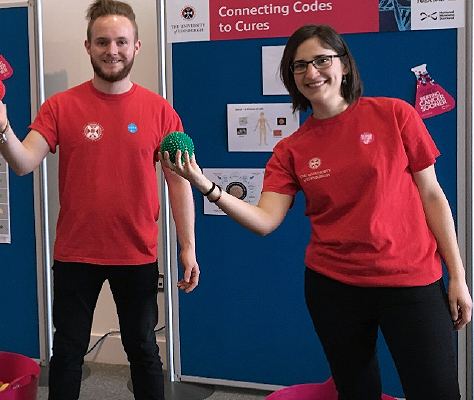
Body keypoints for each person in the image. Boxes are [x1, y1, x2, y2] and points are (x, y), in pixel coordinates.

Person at [166, 24, 472, 400]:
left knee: (437, 392)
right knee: (356, 392)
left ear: (343, 64)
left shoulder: (396, 114)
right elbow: (265, 221)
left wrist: (457, 275)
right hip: (334, 287)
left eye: (321, 60)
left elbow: (433, 196)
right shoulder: (291, 150)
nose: (311, 73)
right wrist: (205, 185)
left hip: (411, 282)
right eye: (299, 66)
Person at [0, 1, 200, 399]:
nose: (112, 50)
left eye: (121, 42)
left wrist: (188, 247)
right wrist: (3, 127)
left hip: (137, 252)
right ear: (88, 46)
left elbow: (179, 182)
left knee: (144, 349)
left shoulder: (160, 111)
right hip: (76, 253)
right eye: (102, 42)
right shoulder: (61, 106)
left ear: (137, 46)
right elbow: (24, 162)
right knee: (68, 352)